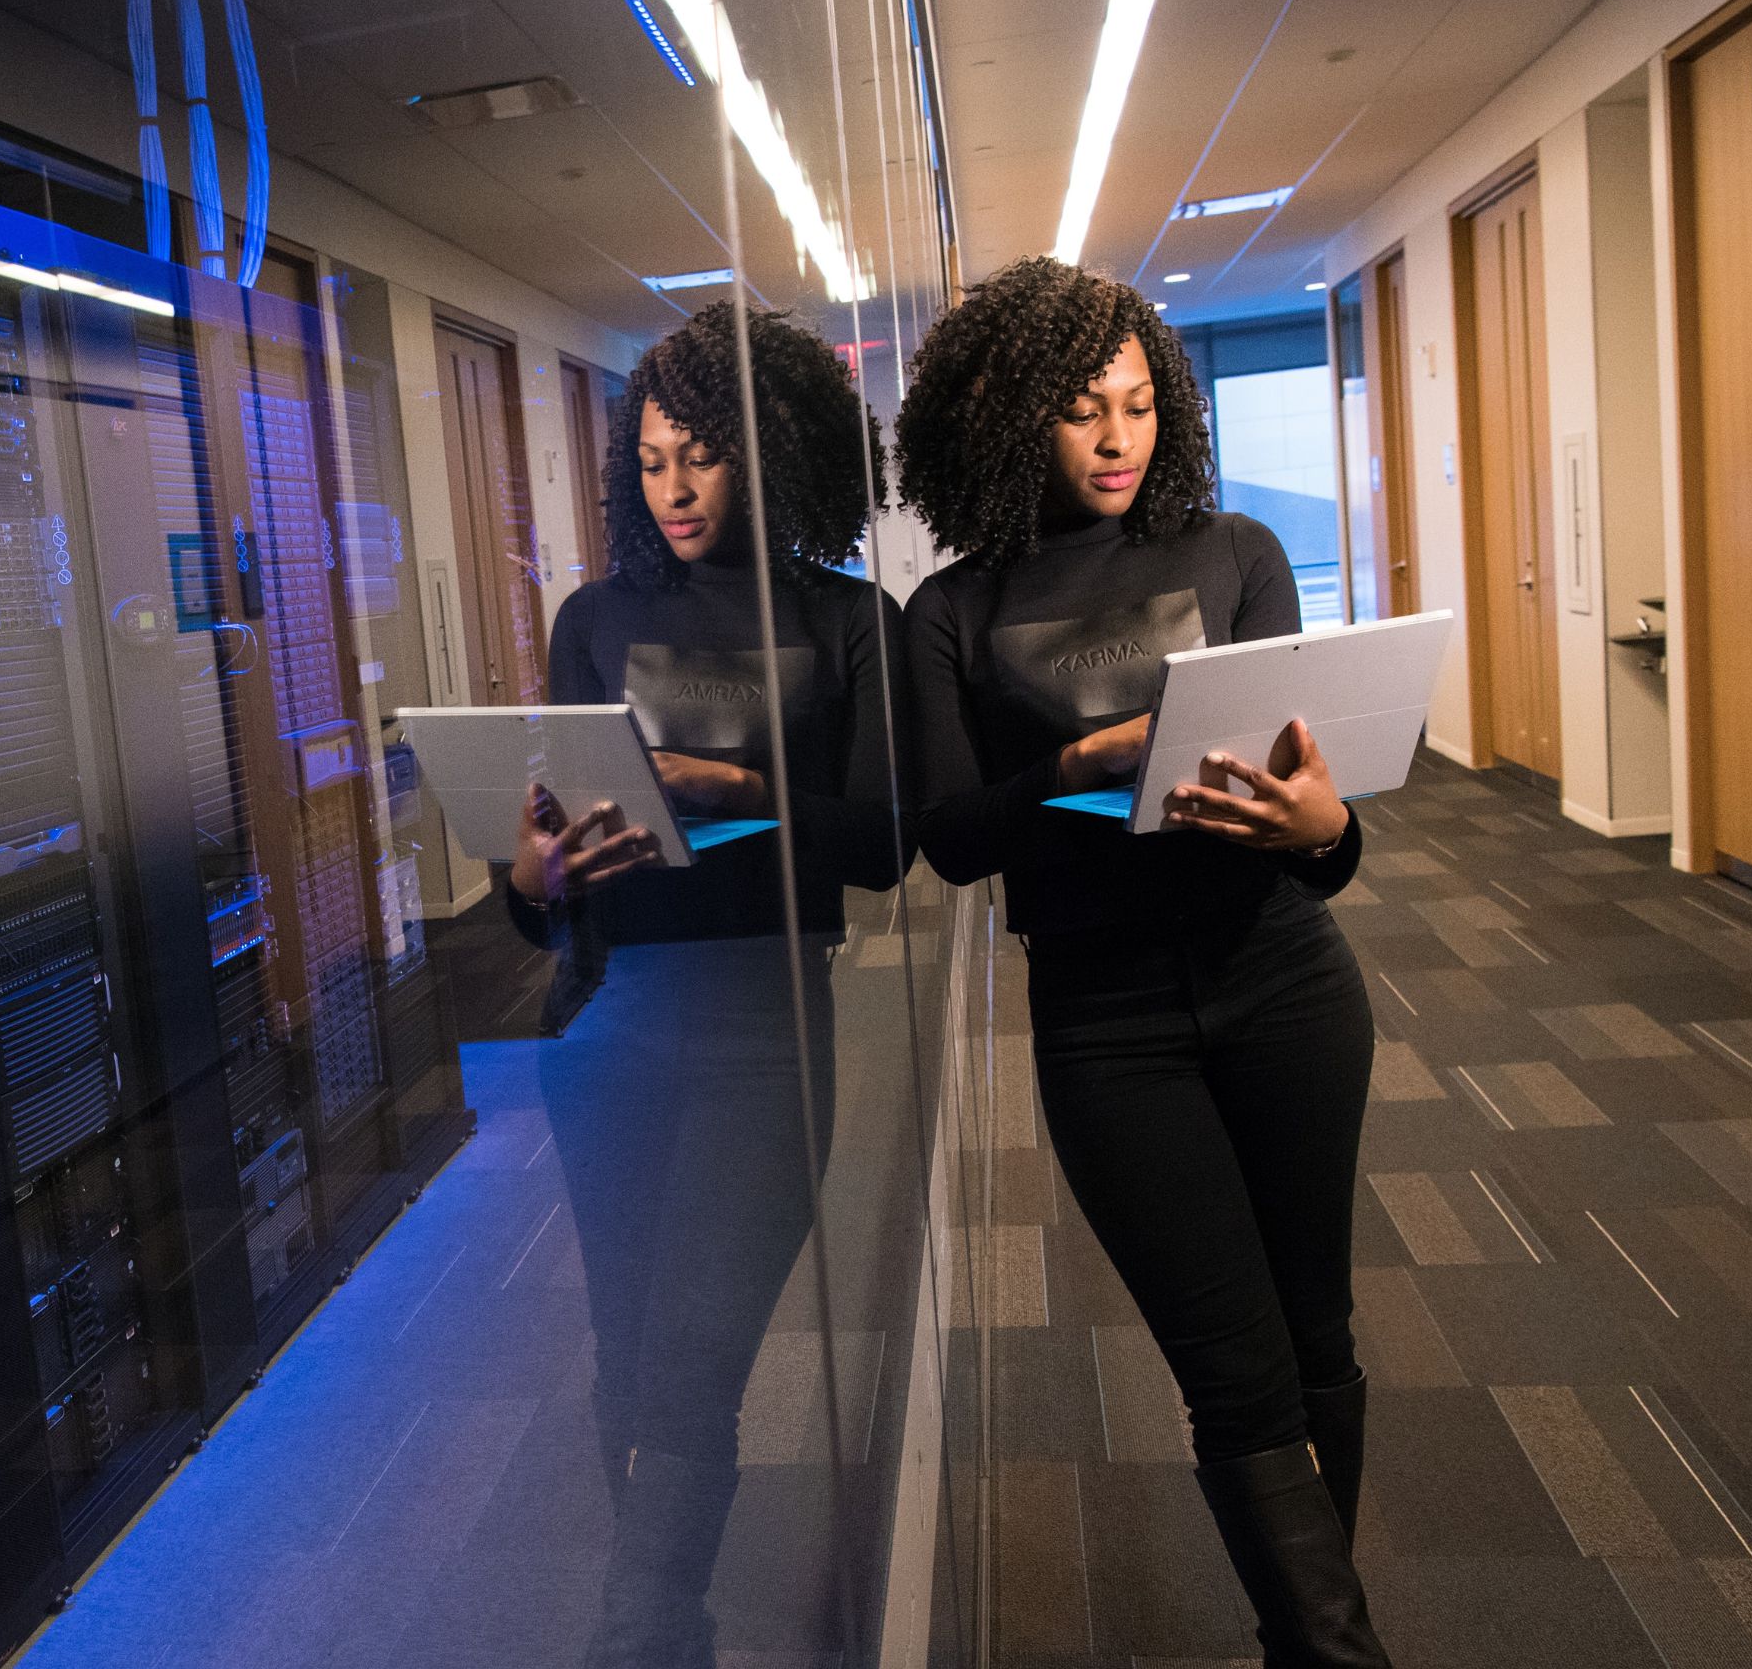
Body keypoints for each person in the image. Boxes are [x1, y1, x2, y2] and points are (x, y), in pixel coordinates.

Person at [894, 257, 1389, 1668]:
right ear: (1002, 415)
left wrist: (1327, 825)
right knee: (1235, 1379)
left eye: (1136, 405)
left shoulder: (1234, 553)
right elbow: (948, 837)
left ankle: (1304, 1638)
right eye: (1080, 411)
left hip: (1287, 978)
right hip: (1108, 1024)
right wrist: (1081, 764)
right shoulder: (955, 610)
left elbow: (1317, 836)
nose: (1118, 440)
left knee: (1318, 1340)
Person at [500, 301, 903, 1669]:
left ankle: (643, 1632)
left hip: (766, 1023)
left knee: (694, 1356)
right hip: (612, 1018)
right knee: (630, 1355)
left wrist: (751, 792)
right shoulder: (593, 619)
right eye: (655, 458)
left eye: (705, 457)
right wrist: (533, 880)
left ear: (772, 454)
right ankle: (658, 1628)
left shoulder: (851, 621)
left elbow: (893, 844)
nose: (674, 488)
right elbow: (542, 871)